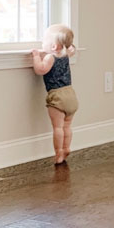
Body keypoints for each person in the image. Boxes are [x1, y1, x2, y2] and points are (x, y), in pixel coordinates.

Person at [31, 23, 78, 164]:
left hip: (57, 96)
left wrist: (36, 57)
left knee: (58, 128)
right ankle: (67, 147)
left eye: (44, 41)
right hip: (70, 94)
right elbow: (71, 49)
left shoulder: (50, 57)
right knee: (67, 126)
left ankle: (59, 152)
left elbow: (40, 70)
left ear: (53, 47)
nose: (42, 43)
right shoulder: (66, 56)